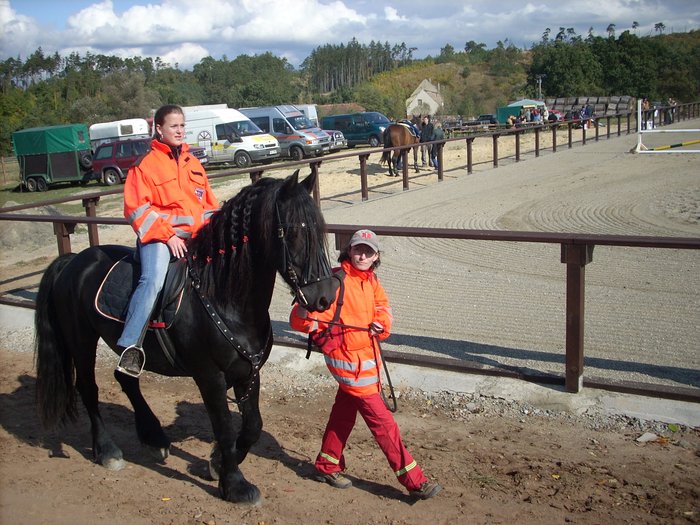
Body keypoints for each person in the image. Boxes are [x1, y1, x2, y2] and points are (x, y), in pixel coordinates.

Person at [289, 230, 442, 500]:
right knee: (383, 423)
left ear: (376, 256)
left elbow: (383, 308)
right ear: (349, 251)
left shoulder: (371, 281)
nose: (362, 255)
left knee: (343, 414)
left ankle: (327, 464)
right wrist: (303, 307)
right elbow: (300, 321)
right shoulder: (335, 281)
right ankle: (414, 481)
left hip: (366, 363)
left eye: (368, 251)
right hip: (349, 365)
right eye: (358, 249)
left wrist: (381, 325)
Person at [116, 104, 219, 377]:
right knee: (153, 280)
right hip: (159, 239)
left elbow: (208, 206)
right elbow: (137, 210)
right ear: (159, 129)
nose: (179, 131)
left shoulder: (193, 163)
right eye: (174, 126)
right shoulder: (145, 166)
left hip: (196, 238)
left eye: (182, 126)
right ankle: (130, 346)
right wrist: (168, 235)